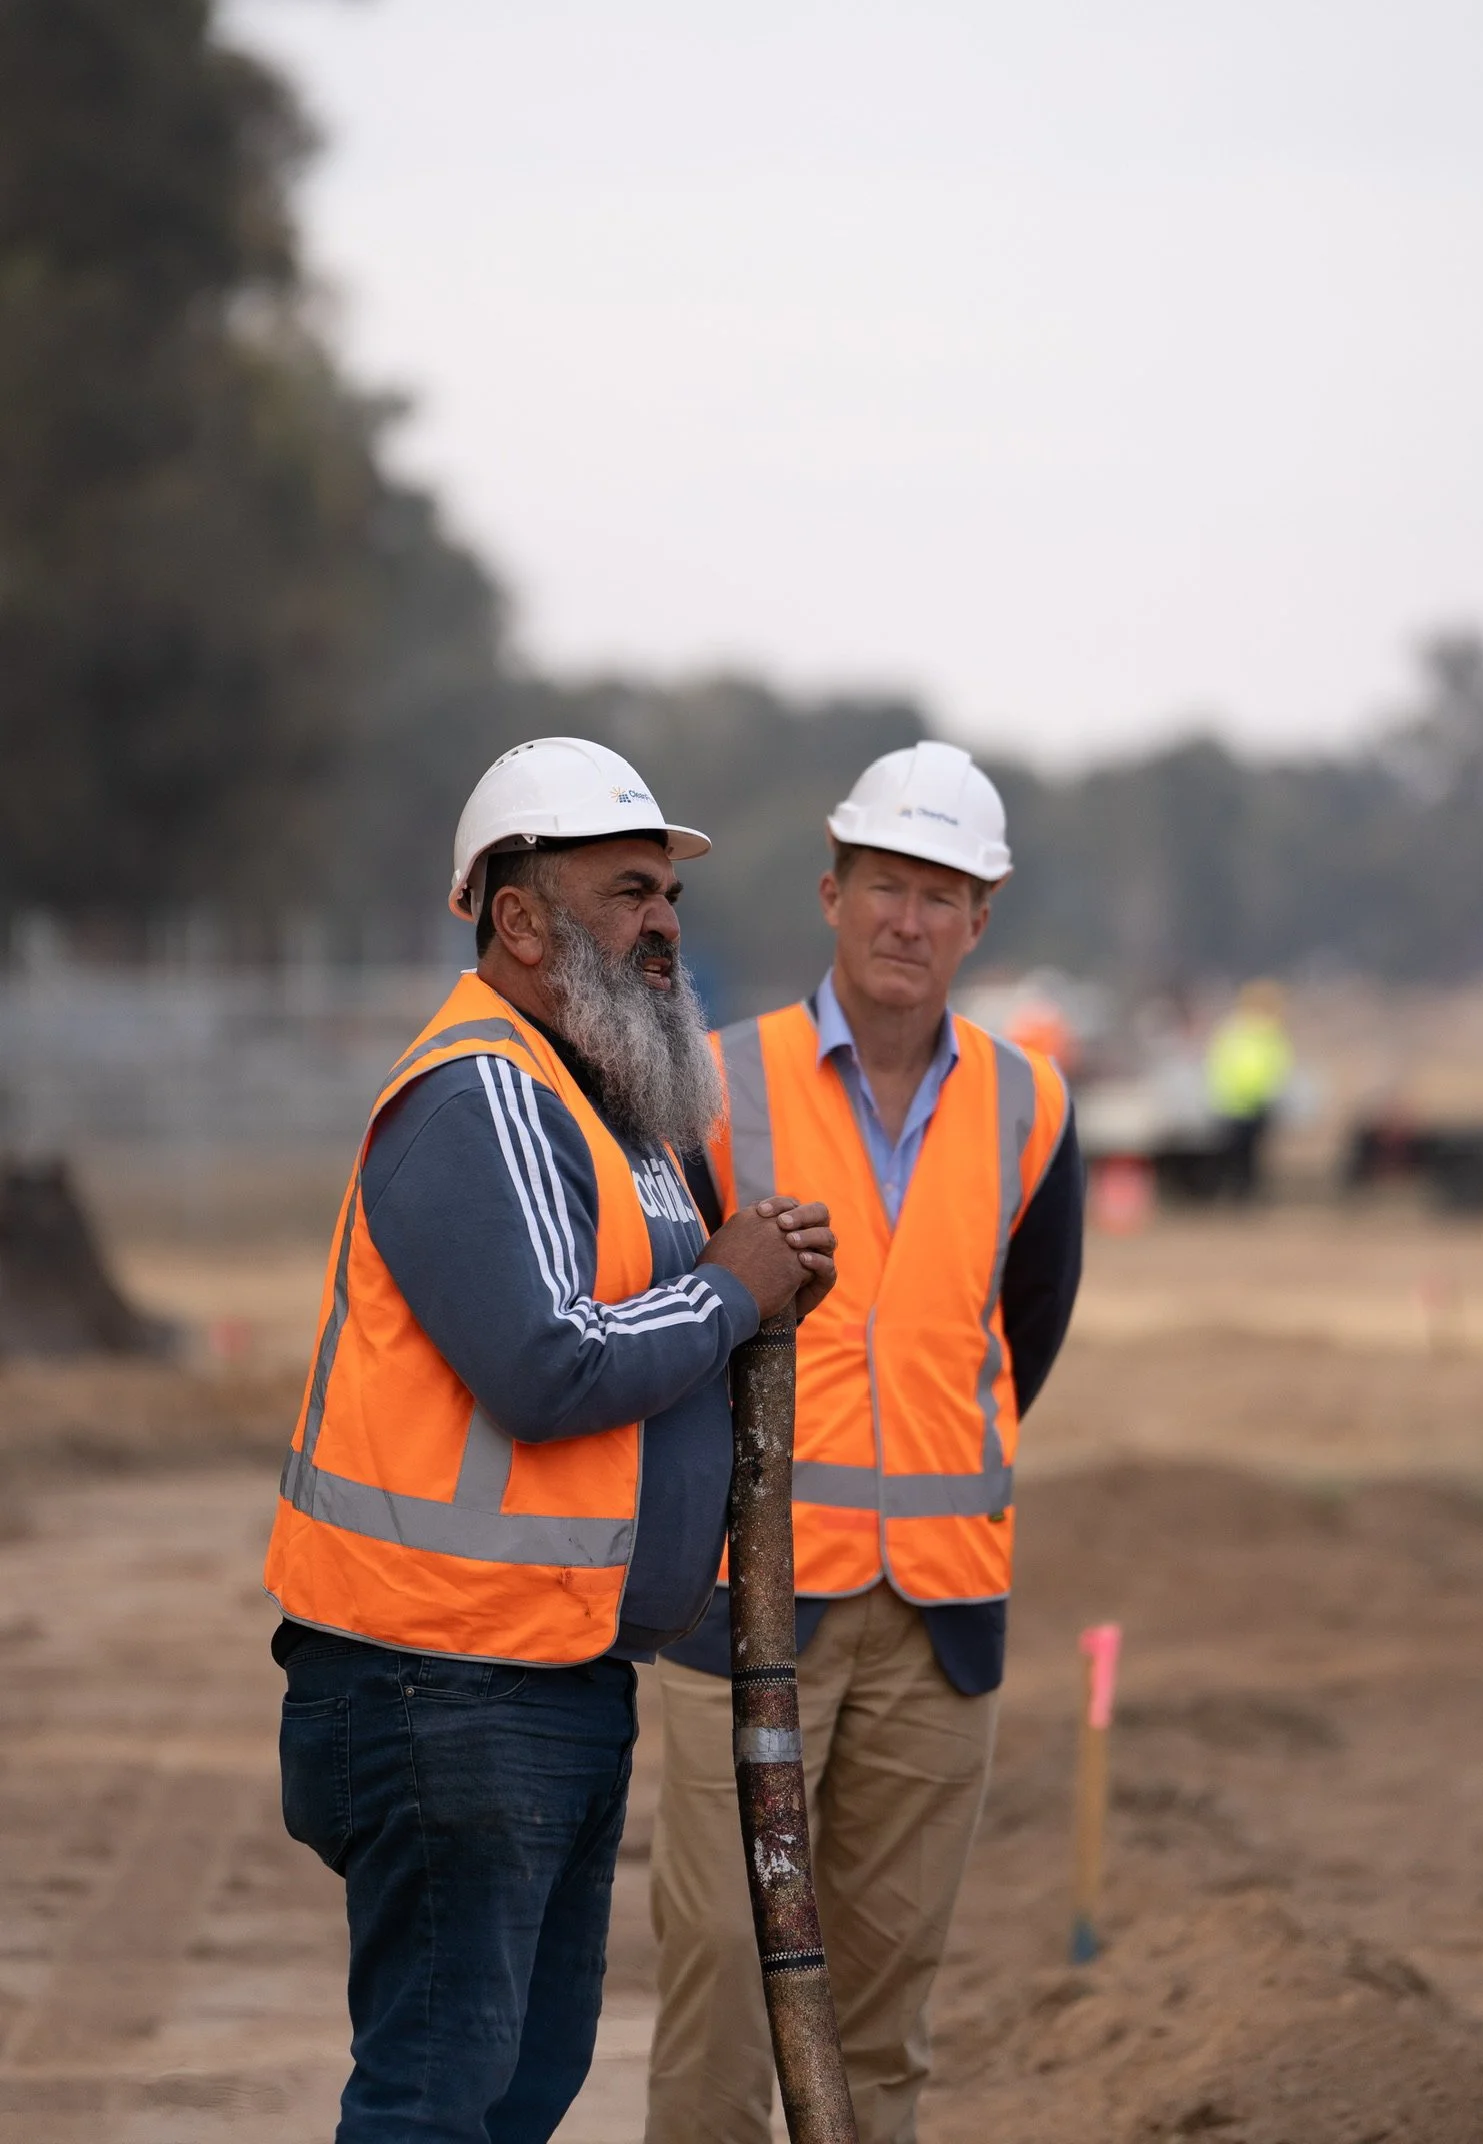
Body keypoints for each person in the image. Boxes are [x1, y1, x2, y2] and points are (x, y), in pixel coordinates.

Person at [264, 736, 838, 2144]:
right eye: (627, 890)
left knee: (517, 2086)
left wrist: (743, 1286)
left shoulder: (608, 1101)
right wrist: (730, 1287)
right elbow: (546, 1365)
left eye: (669, 896)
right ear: (515, 919)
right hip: (442, 1682)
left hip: (549, 1671)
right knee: (439, 2096)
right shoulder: (485, 1094)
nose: (663, 923)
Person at [645, 740, 1085, 2144]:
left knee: (885, 2016)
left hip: (940, 1618)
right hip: (743, 1604)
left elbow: (1026, 1327)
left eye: (943, 893)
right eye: (888, 885)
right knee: (720, 1966)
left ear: (983, 917)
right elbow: (665, 1321)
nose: (911, 918)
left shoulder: (1032, 1107)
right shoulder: (713, 1084)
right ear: (832, 895)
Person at [1205, 978, 1294, 1201]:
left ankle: (1245, 1196)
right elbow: (1218, 1066)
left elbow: (1279, 1069)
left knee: (1251, 1156)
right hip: (1232, 1104)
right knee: (1231, 1154)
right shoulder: (1235, 1031)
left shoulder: (1270, 1034)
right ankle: (1228, 1193)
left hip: (1257, 1104)